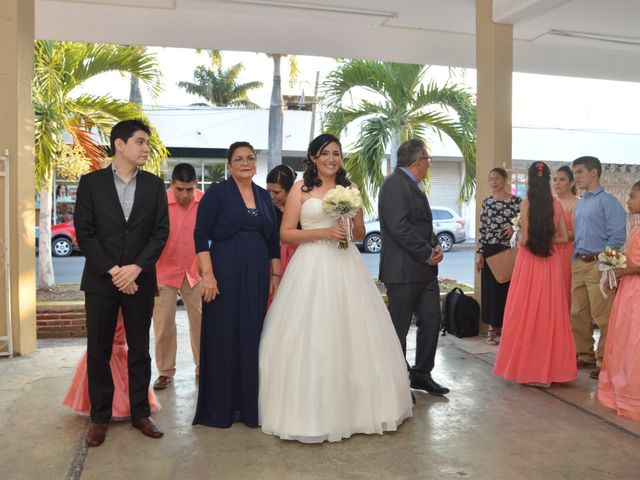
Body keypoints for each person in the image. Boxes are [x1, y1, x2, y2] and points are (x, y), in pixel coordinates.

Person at [259, 134, 412, 443]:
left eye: (337, 153)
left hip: (346, 264)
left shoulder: (350, 190)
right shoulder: (300, 190)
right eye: (325, 153)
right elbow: (286, 234)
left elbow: (358, 234)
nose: (332, 159)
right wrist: (321, 233)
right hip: (311, 265)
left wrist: (350, 220)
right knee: (313, 333)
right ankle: (312, 412)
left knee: (354, 332)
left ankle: (357, 410)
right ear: (313, 158)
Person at [74, 119, 169, 447]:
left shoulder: (155, 186)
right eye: (141, 142)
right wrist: (116, 271)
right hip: (102, 281)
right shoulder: (91, 183)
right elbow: (84, 234)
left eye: (146, 143)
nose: (146, 149)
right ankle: (98, 418)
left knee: (140, 350)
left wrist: (136, 269)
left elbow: (160, 233)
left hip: (140, 281)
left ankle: (141, 413)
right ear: (120, 144)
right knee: (98, 350)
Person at [192, 141, 280, 429]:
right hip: (224, 271)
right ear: (229, 165)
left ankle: (248, 407)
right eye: (239, 159)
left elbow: (272, 241)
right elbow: (200, 234)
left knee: (252, 335)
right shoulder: (218, 193)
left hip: (256, 273)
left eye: (250, 158)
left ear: (256, 163)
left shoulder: (264, 197)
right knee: (223, 335)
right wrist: (208, 275)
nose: (245, 163)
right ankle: (221, 408)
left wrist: (275, 276)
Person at [493, 162, 577, 387]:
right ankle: (549, 371)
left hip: (528, 264)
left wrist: (522, 235)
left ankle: (527, 368)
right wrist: (547, 240)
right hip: (550, 263)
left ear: (530, 181)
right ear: (548, 180)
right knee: (550, 314)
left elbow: (524, 240)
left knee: (524, 312)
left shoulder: (526, 204)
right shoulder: (555, 204)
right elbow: (563, 238)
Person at [378, 138, 448, 397]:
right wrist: (427, 252)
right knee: (398, 327)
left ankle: (421, 374)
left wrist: (436, 245)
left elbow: (422, 224)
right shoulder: (394, 185)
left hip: (425, 271)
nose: (429, 164)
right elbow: (399, 227)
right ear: (419, 161)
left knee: (431, 319)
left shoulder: (412, 184)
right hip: (403, 271)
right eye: (428, 159)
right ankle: (396, 382)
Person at [571, 156, 627, 379]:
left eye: (580, 172)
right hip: (578, 263)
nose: (576, 177)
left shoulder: (608, 202)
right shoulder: (582, 202)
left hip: (598, 265)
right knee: (577, 313)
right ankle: (585, 355)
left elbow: (617, 236)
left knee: (603, 316)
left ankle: (605, 360)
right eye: (575, 172)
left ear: (594, 172)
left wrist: (605, 265)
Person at [152, 163, 204, 390]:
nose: (185, 195)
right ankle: (165, 371)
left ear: (196, 185)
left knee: (201, 324)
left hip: (197, 272)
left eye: (189, 189)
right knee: (163, 325)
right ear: (171, 184)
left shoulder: (206, 202)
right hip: (163, 272)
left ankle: (204, 368)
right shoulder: (158, 202)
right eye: (180, 189)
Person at [63, 310, 161, 418]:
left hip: (131, 303)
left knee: (125, 338)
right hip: (106, 299)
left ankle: (133, 407)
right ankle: (101, 408)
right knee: (101, 347)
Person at [598, 181, 640, 421]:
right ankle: (619, 388)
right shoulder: (635, 228)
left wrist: (625, 272)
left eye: (633, 196)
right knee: (624, 339)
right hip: (628, 291)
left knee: (635, 342)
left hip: (636, 289)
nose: (628, 200)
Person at [476, 168, 522, 345]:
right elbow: (483, 229)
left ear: (505, 179)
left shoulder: (517, 202)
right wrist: (479, 253)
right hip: (489, 248)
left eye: (497, 178)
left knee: (508, 289)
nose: (494, 182)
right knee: (490, 289)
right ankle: (491, 329)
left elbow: (524, 222)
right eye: (491, 179)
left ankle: (506, 328)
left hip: (509, 249)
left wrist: (514, 228)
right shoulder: (487, 202)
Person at [552, 166, 579, 308]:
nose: (557, 183)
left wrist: (551, 236)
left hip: (566, 252)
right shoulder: (551, 203)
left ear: (572, 183)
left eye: (562, 180)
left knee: (564, 289)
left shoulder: (577, 204)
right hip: (549, 251)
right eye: (555, 179)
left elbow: (576, 232)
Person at [266, 164, 298, 273]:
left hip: (297, 258)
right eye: (268, 191)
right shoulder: (266, 206)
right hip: (272, 260)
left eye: (276, 192)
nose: (271, 196)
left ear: (290, 190)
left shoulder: (302, 208)